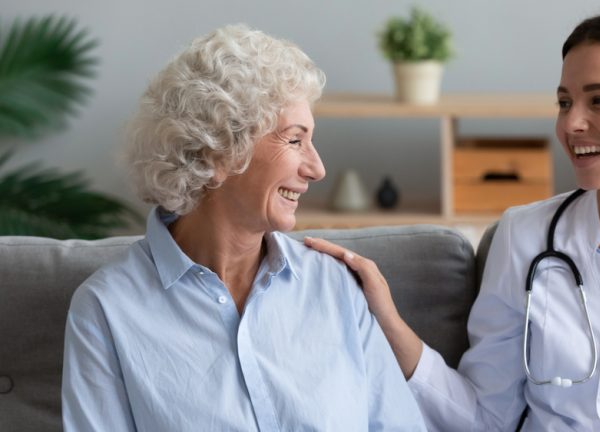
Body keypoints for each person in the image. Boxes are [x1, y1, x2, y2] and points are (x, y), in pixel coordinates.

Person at [305, 10, 600, 431]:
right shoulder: (525, 237)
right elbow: (485, 417)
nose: (572, 124)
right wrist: (388, 320)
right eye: (565, 102)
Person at [61, 24, 426, 431]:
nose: (317, 168)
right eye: (294, 140)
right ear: (218, 151)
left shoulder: (335, 287)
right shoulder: (107, 309)